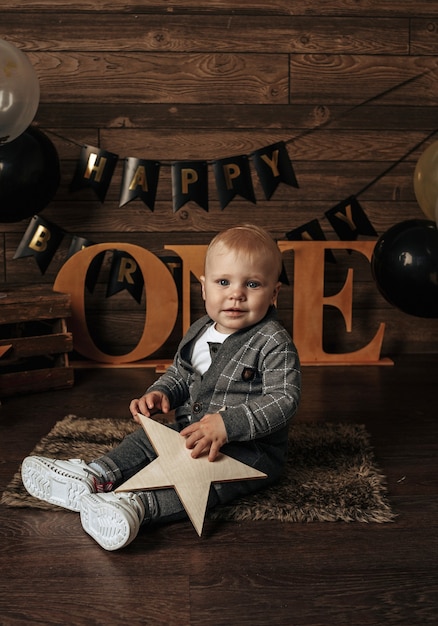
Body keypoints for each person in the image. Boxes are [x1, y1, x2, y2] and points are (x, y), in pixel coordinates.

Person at [21, 224, 301, 551]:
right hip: (189, 428)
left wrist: (229, 424)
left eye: (252, 284)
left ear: (274, 293)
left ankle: (137, 505)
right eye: (223, 282)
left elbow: (284, 399)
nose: (236, 293)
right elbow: (182, 374)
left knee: (200, 479)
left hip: (247, 450)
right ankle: (96, 476)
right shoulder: (200, 330)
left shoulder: (273, 342)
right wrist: (162, 392)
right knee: (143, 440)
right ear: (204, 288)